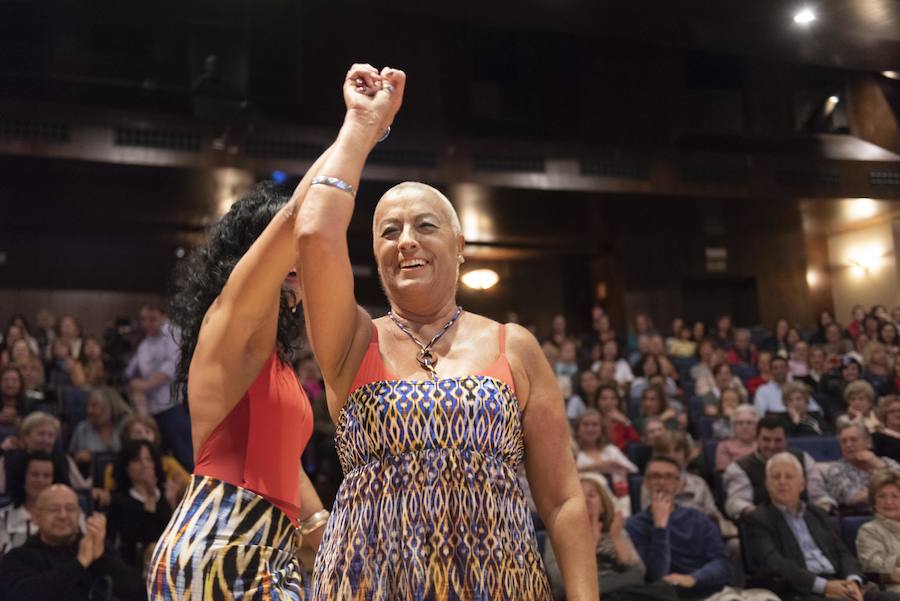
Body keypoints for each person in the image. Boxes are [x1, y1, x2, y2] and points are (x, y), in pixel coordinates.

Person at [296, 64, 596, 600]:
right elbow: (316, 232)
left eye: (424, 226)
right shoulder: (352, 340)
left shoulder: (515, 345)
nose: (405, 240)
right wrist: (362, 127)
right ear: (376, 256)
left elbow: (563, 500)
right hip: (368, 585)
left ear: (460, 247)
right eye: (389, 232)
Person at [148, 175, 326, 595]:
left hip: (260, 551)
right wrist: (359, 130)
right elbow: (297, 213)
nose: (300, 259)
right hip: (222, 547)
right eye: (289, 247)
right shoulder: (231, 322)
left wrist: (328, 536)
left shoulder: (272, 359)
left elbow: (282, 461)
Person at [743, 453, 898, 601]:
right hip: (802, 590)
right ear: (767, 483)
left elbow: (843, 553)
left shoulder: (817, 514)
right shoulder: (758, 519)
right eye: (776, 477)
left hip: (841, 584)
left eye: (789, 476)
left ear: (802, 484)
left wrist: (853, 580)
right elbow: (775, 564)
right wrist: (825, 586)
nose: (782, 481)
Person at [0, 484, 144, 601]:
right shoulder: (19, 557)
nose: (63, 516)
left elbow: (138, 591)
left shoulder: (95, 547)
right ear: (36, 517)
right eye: (54, 509)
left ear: (79, 515)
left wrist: (100, 557)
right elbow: (20, 596)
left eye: (70, 509)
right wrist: (80, 563)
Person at [626, 456, 732, 598]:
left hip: (705, 591)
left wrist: (693, 578)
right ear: (645, 482)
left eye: (669, 477)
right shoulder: (633, 525)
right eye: (655, 477)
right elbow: (654, 576)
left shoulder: (699, 519)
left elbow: (723, 565)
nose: (662, 482)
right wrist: (660, 527)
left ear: (679, 484)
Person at [544, 473, 646, 600]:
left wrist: (616, 539)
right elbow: (561, 582)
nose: (585, 500)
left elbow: (639, 573)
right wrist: (590, 544)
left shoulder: (614, 530)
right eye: (579, 496)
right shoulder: (557, 534)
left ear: (603, 505)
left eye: (591, 496)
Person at [723, 415, 834, 520]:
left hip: (805, 520)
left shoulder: (803, 459)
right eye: (766, 440)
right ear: (757, 439)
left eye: (778, 440)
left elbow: (818, 496)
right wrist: (761, 517)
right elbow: (736, 503)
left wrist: (821, 513)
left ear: (786, 440)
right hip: (763, 526)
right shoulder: (740, 467)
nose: (772, 446)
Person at [124, 304, 192, 470]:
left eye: (152, 319)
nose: (147, 323)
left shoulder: (173, 333)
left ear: (163, 316)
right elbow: (130, 372)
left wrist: (145, 385)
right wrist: (133, 382)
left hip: (172, 405)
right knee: (157, 458)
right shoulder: (145, 344)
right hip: (151, 411)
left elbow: (172, 367)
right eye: (144, 320)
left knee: (184, 456)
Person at [107, 439, 176, 568]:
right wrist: (150, 499)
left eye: (149, 459)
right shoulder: (120, 501)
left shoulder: (165, 492)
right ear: (126, 467)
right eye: (137, 460)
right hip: (137, 565)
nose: (145, 465)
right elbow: (140, 538)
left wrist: (172, 504)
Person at [825, 423, 899, 512]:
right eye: (843, 441)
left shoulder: (886, 462)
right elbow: (853, 499)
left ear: (868, 443)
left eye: (854, 440)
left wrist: (880, 466)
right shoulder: (836, 470)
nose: (848, 445)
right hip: (862, 517)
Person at [0, 451, 63, 554]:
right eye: (34, 475)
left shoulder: (70, 516)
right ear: (23, 477)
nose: (40, 481)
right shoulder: (3, 518)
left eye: (46, 476)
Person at [855, 470, 900, 594]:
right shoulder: (869, 530)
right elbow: (872, 565)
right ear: (874, 502)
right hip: (890, 589)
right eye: (882, 496)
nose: (889, 502)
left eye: (895, 496)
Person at [715, 404, 759, 472]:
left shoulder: (764, 445)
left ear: (757, 426)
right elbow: (724, 473)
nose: (744, 427)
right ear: (733, 426)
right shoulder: (724, 446)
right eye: (740, 423)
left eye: (749, 423)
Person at [873, 395, 900, 460]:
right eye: (892, 411)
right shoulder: (878, 437)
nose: (897, 414)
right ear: (884, 414)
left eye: (899, 410)